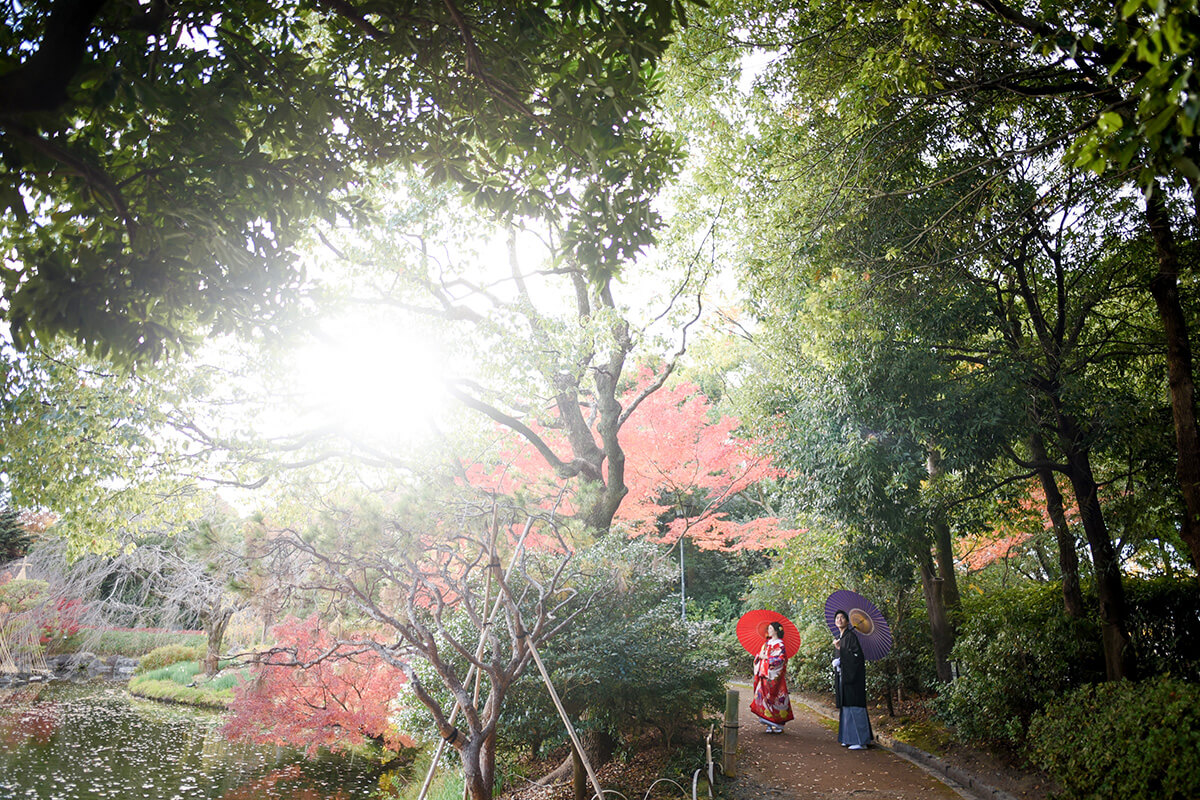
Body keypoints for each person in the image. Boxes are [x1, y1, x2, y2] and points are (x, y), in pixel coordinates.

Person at [833, 609, 873, 750]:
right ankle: (848, 737)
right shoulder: (842, 637)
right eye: (837, 618)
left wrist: (841, 655)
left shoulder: (851, 637)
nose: (839, 620)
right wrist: (838, 654)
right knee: (846, 707)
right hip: (844, 678)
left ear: (848, 622)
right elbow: (842, 656)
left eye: (842, 617)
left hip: (853, 679)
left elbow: (857, 657)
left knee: (855, 706)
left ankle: (861, 740)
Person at [750, 620, 794, 734]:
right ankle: (768, 724)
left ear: (775, 631)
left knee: (777, 699)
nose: (768, 631)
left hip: (774, 676)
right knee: (764, 699)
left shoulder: (780, 644)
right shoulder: (766, 644)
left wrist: (766, 658)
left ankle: (778, 725)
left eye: (770, 628)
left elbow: (781, 660)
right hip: (764, 675)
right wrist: (760, 656)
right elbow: (759, 656)